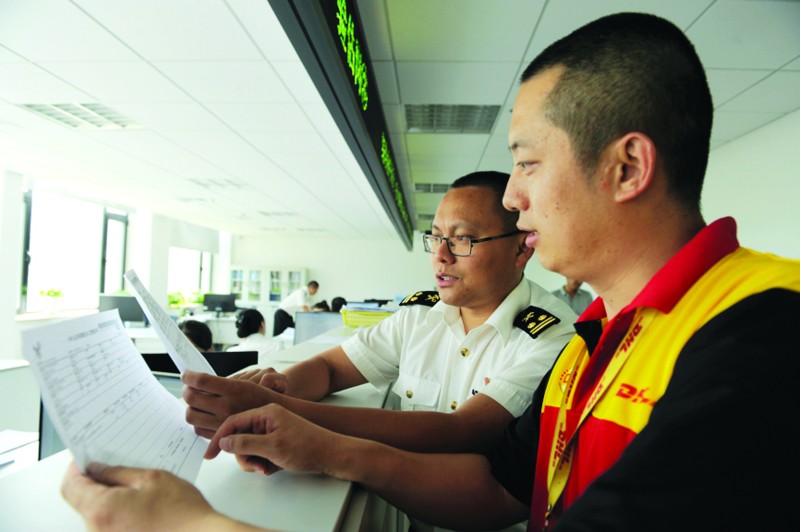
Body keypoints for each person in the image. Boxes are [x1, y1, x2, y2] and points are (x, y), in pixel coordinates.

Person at [61, 12, 800, 531]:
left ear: (627, 167)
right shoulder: (598, 338)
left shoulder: (764, 334)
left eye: (527, 163)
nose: (515, 197)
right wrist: (320, 447)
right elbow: (498, 486)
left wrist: (192, 526)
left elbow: (465, 440)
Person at [183, 171, 576, 459]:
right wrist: (278, 386)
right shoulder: (419, 317)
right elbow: (331, 369)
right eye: (436, 237)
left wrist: (276, 410)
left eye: (462, 239)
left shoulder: (554, 337)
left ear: (521, 250)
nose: (440, 256)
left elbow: (461, 432)